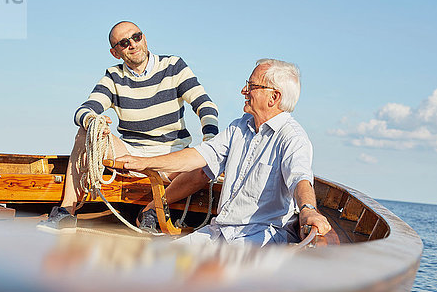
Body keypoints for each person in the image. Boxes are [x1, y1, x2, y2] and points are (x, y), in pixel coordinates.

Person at [117, 59, 332, 246]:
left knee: (202, 275)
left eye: (251, 86)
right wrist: (144, 162)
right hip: (218, 233)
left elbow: (300, 179)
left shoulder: (292, 137)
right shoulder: (239, 126)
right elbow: (198, 157)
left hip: (258, 239)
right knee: (155, 261)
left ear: (274, 97)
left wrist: (308, 209)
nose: (243, 91)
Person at [39, 21, 219, 231]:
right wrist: (93, 122)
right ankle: (65, 213)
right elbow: (83, 111)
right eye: (124, 43)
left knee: (206, 165)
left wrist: (210, 141)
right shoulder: (113, 77)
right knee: (85, 132)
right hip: (130, 156)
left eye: (136, 36)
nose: (133, 44)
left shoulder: (173, 66)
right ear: (115, 52)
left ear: (144, 37)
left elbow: (205, 105)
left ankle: (151, 210)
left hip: (171, 157)